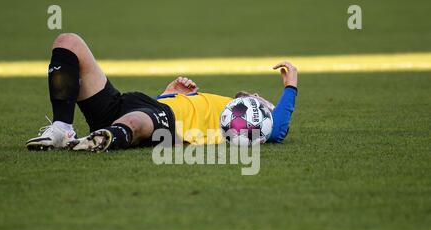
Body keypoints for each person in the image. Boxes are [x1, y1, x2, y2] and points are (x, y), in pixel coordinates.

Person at [25, 33, 298, 152]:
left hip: (164, 124)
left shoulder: (242, 127)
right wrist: (167, 94)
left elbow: (280, 128)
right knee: (69, 42)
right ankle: (62, 129)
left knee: (138, 123)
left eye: (264, 101)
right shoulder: (225, 106)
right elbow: (150, 108)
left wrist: (290, 86)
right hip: (136, 103)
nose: (257, 96)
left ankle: (101, 139)